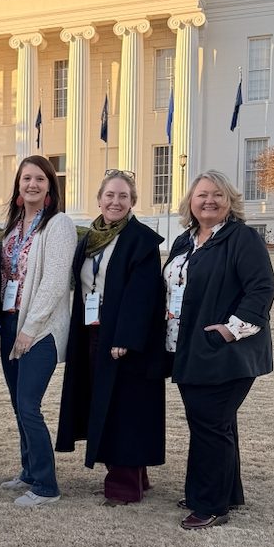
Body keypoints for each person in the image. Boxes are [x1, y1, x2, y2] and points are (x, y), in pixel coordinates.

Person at [164, 169, 274, 530]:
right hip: (187, 348)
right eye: (201, 195)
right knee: (215, 423)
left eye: (217, 195)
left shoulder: (241, 239)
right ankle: (223, 492)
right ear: (190, 202)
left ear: (229, 202)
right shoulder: (184, 241)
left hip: (226, 350)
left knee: (210, 423)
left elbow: (261, 289)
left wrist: (230, 330)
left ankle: (211, 504)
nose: (208, 201)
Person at [56, 170, 166, 504]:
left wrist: (125, 338)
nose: (115, 202)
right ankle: (137, 475)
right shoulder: (90, 239)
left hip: (123, 341)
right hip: (92, 333)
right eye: (109, 196)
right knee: (101, 401)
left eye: (122, 196)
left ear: (133, 202)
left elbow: (144, 293)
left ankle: (124, 486)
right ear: (99, 199)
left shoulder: (141, 240)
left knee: (125, 408)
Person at [0, 155, 77, 508]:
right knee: (18, 404)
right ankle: (29, 471)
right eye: (26, 178)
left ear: (49, 186)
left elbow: (55, 282)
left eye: (39, 179)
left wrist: (30, 329)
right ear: (18, 185)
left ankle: (46, 486)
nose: (32, 184)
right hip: (10, 322)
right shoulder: (14, 227)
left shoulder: (58, 224)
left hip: (39, 329)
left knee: (29, 405)